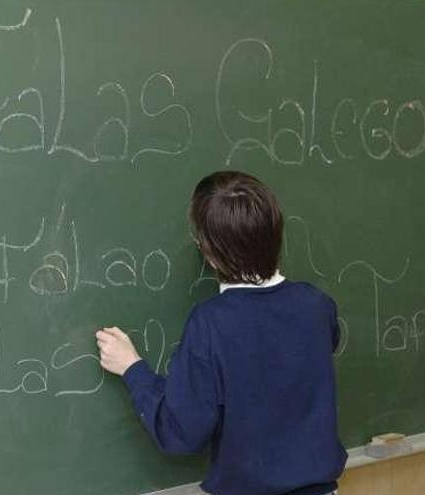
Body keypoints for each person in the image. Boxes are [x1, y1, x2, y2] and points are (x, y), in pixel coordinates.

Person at [96, 171, 347, 495]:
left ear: (208, 253)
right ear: (277, 233)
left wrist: (133, 370)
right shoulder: (316, 306)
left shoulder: (211, 324)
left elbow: (181, 432)